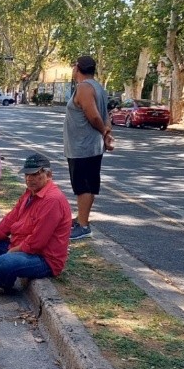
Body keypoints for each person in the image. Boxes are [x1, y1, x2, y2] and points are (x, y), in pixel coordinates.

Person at [0, 153, 72, 295]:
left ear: (48, 174)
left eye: (34, 174)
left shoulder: (53, 200)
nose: (29, 179)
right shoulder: (30, 193)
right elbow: (9, 221)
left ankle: (1, 285)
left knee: (4, 262)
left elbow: (37, 242)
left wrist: (12, 251)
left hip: (44, 259)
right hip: (21, 247)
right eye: (27, 175)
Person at [63, 55, 115, 240]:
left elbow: (94, 116)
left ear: (77, 68)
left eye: (73, 67)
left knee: (83, 186)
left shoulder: (84, 87)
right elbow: (105, 115)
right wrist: (107, 134)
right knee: (89, 185)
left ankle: (83, 226)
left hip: (82, 146)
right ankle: (81, 219)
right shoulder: (98, 87)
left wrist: (103, 132)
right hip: (91, 146)